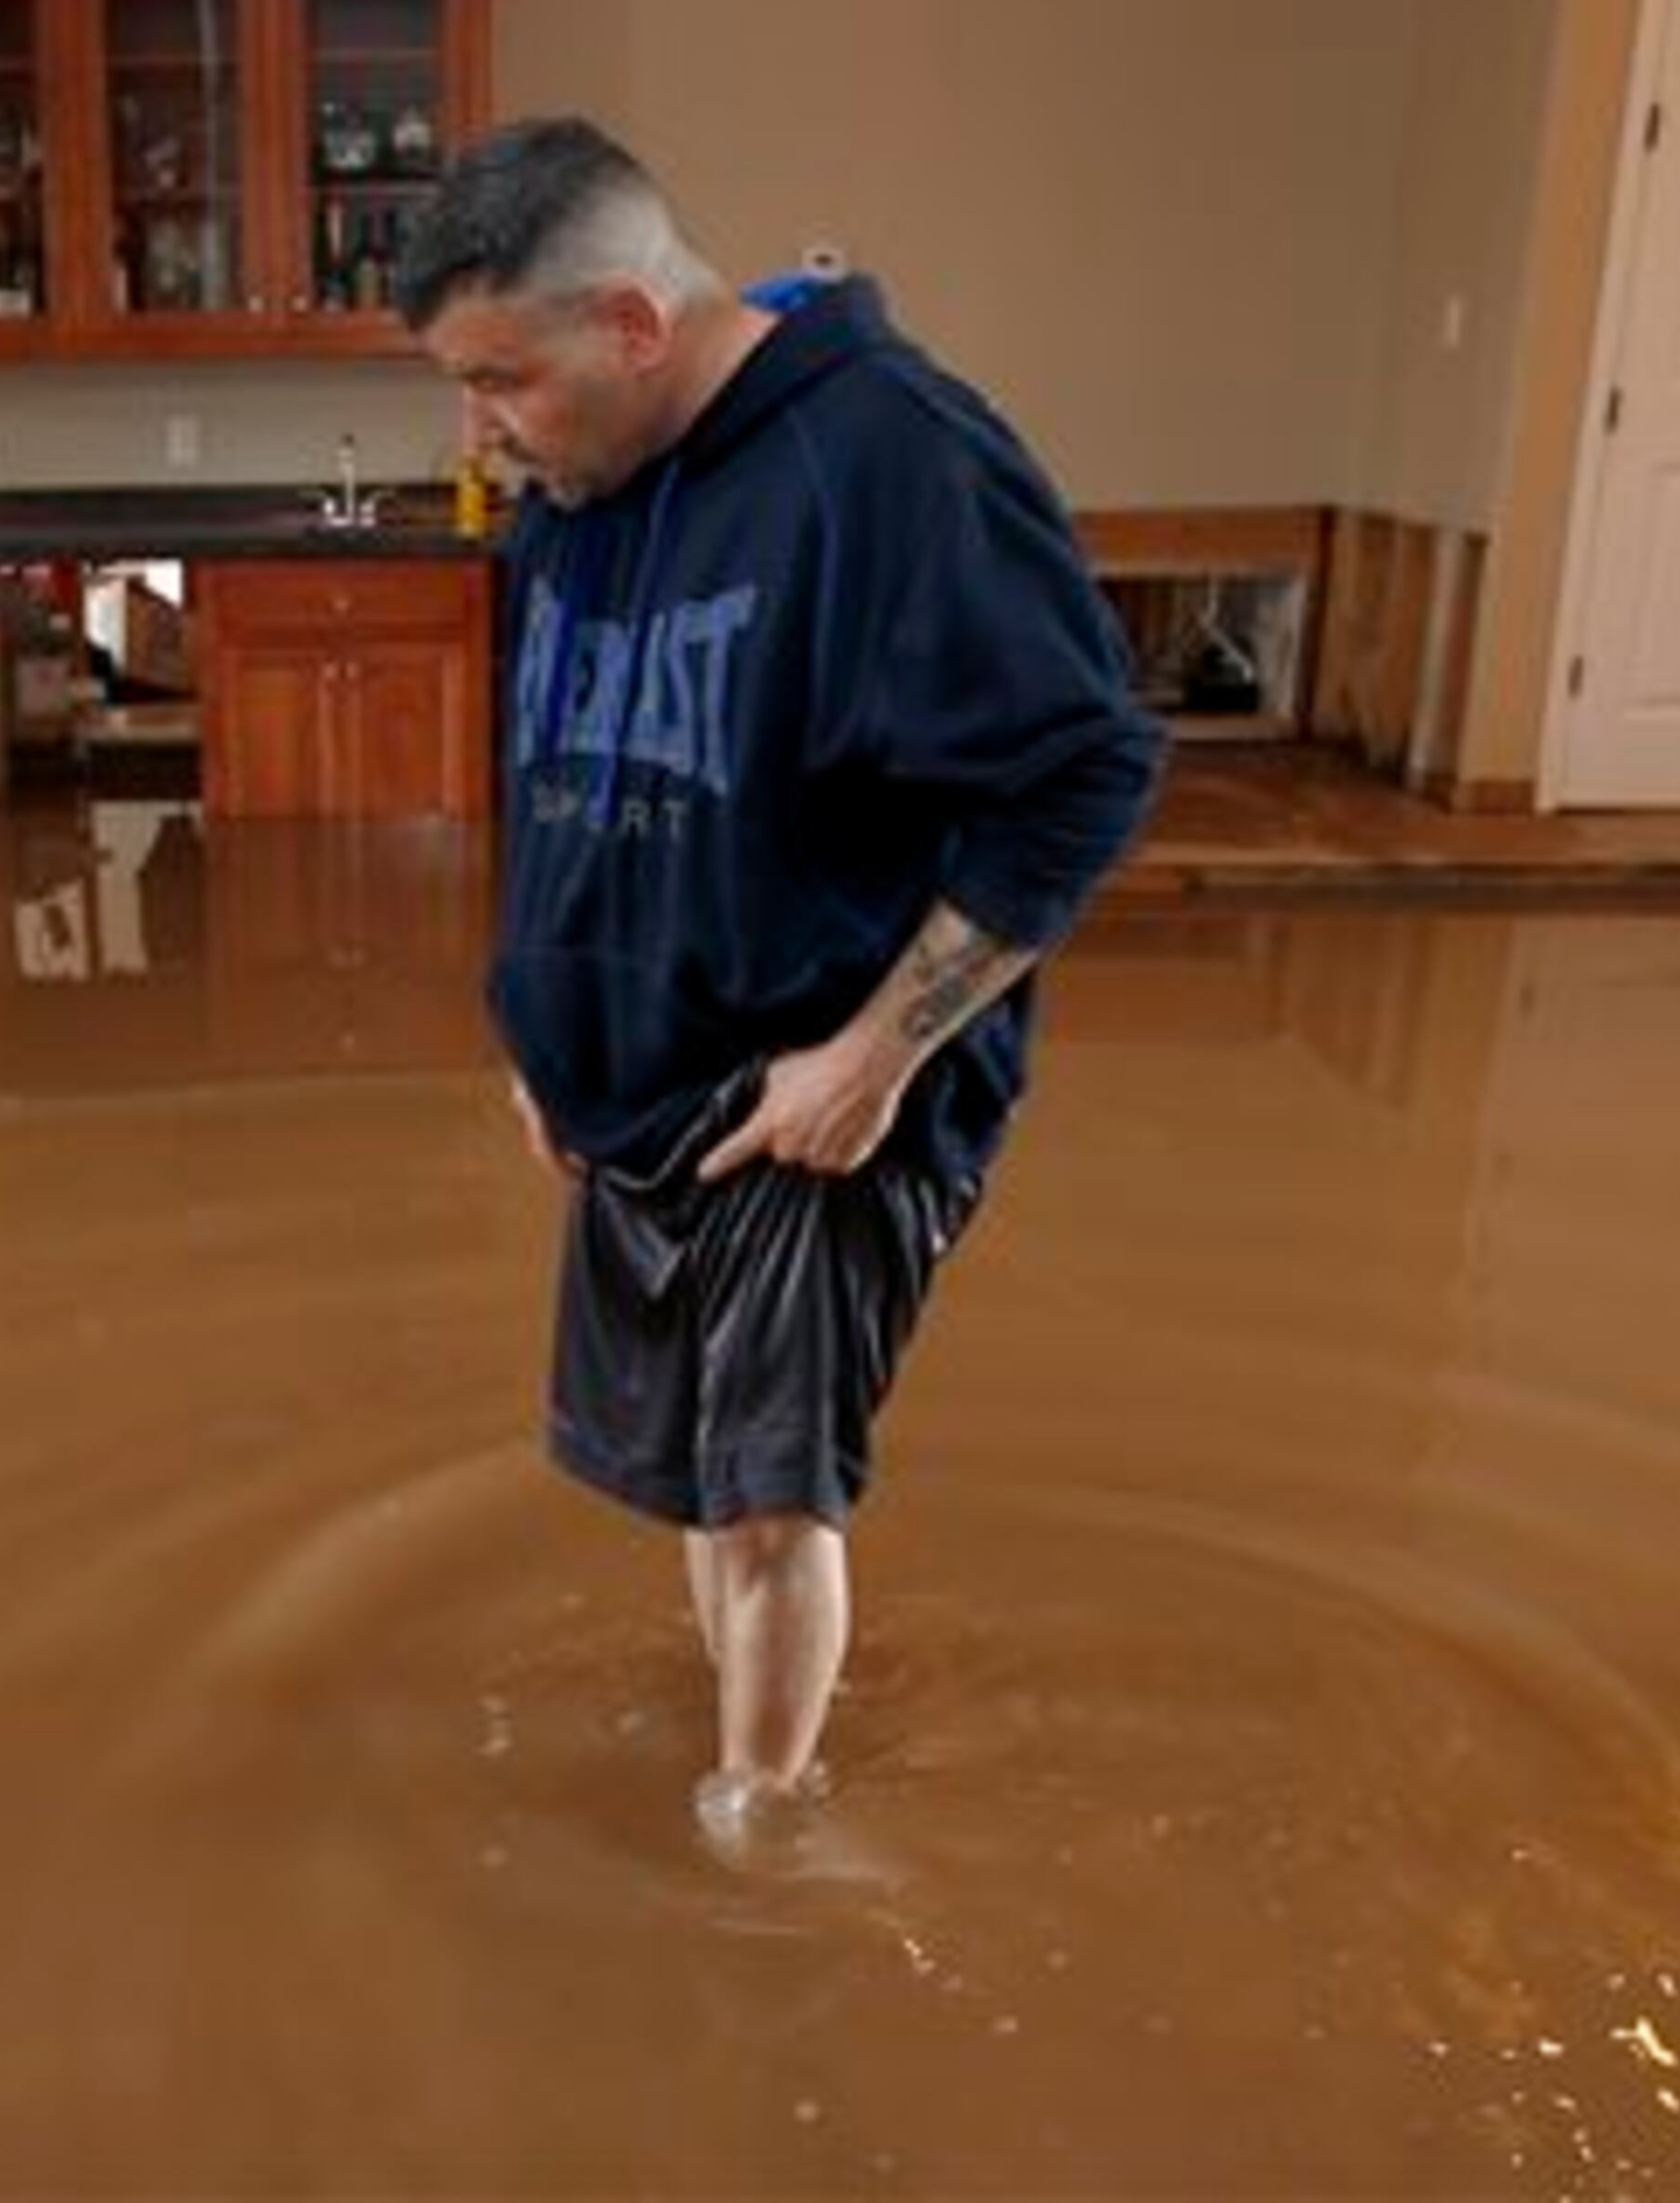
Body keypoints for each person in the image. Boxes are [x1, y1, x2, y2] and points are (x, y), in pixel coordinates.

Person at [393, 118, 1168, 1847]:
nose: (480, 432)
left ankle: (762, 1833)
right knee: (694, 1477)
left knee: (766, 1502)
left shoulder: (896, 463)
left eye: (503, 379)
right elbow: (585, 770)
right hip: (639, 1086)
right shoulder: (582, 484)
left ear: (635, 327)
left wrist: (874, 1062)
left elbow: (1084, 773)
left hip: (808, 1086)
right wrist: (547, 1026)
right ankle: (750, 1744)